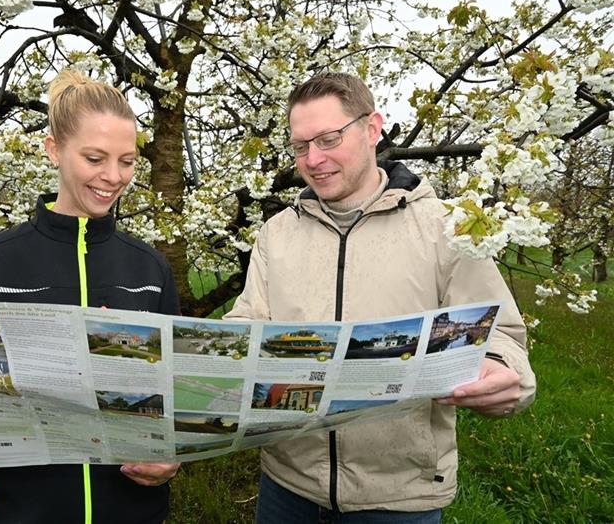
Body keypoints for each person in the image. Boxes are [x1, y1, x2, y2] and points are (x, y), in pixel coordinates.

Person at [224, 72, 536, 523]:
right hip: (286, 484)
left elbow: (500, 335)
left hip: (398, 495)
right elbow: (249, 323)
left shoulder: (446, 227)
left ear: (372, 129)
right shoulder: (277, 232)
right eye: (300, 146)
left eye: (328, 139)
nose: (313, 159)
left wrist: (503, 373)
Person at [0, 69, 181, 523]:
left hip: (132, 512)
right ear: (54, 150)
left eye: (127, 161)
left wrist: (171, 459)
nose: (113, 177)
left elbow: (172, 396)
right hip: (18, 512)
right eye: (94, 158)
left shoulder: (151, 271)